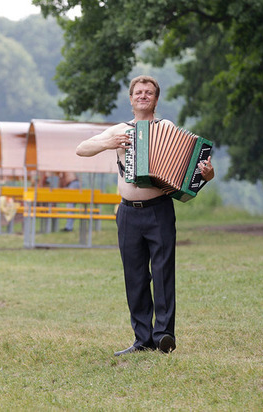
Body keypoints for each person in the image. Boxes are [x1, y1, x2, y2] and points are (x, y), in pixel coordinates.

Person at [76, 75, 215, 355]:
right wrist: (108, 143)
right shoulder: (118, 131)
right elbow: (81, 149)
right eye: (138, 92)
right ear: (130, 99)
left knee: (163, 273)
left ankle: (164, 336)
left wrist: (206, 176)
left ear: (155, 99)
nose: (143, 96)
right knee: (135, 276)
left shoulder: (166, 128)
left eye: (148, 92)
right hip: (128, 213)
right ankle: (142, 340)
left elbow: (188, 171)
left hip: (159, 211)